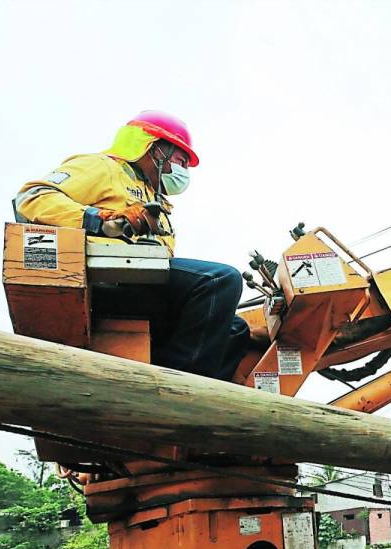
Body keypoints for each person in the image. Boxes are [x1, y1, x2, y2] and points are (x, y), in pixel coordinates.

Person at [14, 111, 250, 381]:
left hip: (141, 285)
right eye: (181, 160)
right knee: (220, 281)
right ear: (154, 147)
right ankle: (180, 387)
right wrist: (101, 220)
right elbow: (32, 198)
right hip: (107, 282)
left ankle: (186, 389)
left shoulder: (152, 196)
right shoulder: (104, 167)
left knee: (234, 329)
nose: (183, 170)